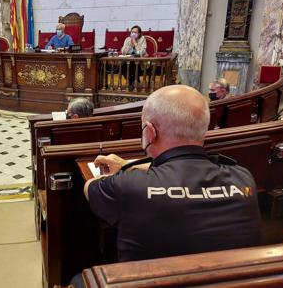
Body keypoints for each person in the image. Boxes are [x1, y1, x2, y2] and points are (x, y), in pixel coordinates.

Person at [86, 85, 261, 263]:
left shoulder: (128, 186)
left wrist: (120, 172)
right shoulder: (243, 179)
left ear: (149, 132)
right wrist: (128, 167)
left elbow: (90, 187)